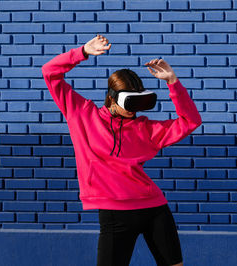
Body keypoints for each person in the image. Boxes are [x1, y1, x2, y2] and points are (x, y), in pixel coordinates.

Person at [42, 34, 202, 266]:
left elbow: (190, 121)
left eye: (141, 101)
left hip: (155, 209)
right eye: (130, 102)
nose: (135, 109)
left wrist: (173, 82)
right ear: (112, 99)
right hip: (114, 213)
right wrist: (83, 52)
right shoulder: (82, 115)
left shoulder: (146, 128)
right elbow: (50, 72)